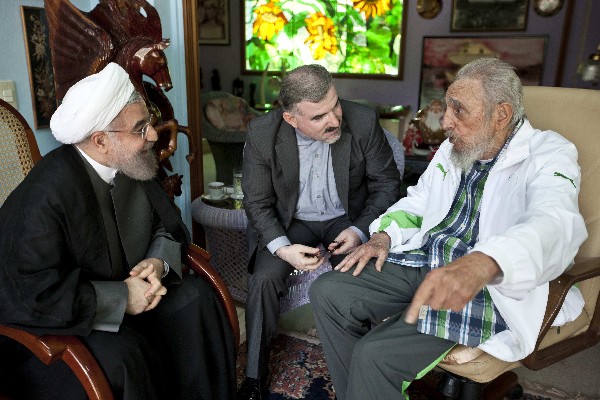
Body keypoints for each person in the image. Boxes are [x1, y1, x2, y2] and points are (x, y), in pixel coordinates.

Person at [309, 57, 588, 400]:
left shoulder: (550, 154)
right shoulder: (454, 149)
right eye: (447, 108)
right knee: (329, 291)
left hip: (485, 285)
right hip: (427, 260)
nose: (445, 122)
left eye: (459, 110)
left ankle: (368, 386)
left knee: (374, 355)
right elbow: (419, 200)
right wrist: (383, 236)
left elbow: (555, 223)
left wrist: (482, 263)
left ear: (500, 115)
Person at [0, 63, 236, 400]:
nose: (153, 136)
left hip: (135, 292)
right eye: (140, 129)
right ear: (100, 141)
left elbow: (167, 228)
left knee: (196, 300)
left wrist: (157, 264)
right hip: (64, 323)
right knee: (127, 357)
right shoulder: (46, 196)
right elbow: (32, 293)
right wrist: (121, 298)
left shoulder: (130, 163)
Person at [238, 64, 402, 400]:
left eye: (335, 106)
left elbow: (387, 184)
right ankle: (255, 374)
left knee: (366, 270)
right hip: (290, 223)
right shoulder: (261, 133)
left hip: (346, 219)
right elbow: (256, 203)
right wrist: (283, 248)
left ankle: (365, 368)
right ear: (291, 119)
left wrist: (359, 231)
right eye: (319, 117)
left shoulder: (364, 120)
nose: (334, 120)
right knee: (264, 280)